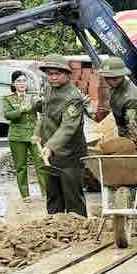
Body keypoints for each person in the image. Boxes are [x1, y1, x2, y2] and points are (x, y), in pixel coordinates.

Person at [35, 55, 90, 216]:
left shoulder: (73, 98)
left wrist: (51, 146)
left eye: (57, 74)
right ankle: (54, 227)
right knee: (53, 196)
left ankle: (80, 231)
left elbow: (68, 127)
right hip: (50, 154)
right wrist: (37, 133)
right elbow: (45, 115)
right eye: (50, 73)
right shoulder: (49, 89)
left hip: (69, 156)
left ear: (67, 74)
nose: (53, 77)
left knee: (72, 197)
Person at [2, 70, 48, 200]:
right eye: (18, 81)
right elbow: (7, 115)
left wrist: (41, 102)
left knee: (41, 164)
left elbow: (42, 109)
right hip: (17, 137)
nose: (22, 83)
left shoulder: (33, 97)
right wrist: (21, 110)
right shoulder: (8, 99)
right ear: (13, 83)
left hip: (34, 135)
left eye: (24, 81)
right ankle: (25, 195)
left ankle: (45, 193)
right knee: (20, 167)